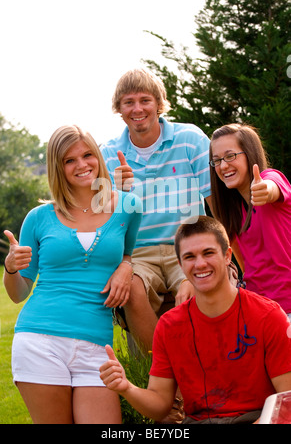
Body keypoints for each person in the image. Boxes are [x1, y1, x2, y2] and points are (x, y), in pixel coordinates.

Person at [3, 125, 142, 424]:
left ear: (98, 157)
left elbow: (130, 252)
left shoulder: (128, 206)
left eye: (87, 155)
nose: (82, 165)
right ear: (58, 167)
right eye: (69, 160)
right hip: (39, 340)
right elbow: (19, 293)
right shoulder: (39, 217)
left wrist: (126, 266)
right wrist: (11, 268)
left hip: (97, 345)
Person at [100, 216, 291, 424]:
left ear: (228, 256)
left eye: (208, 253)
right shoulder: (169, 325)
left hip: (256, 418)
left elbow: (286, 401)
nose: (200, 264)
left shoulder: (268, 316)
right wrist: (126, 387)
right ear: (181, 264)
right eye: (190, 257)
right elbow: (160, 404)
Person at [101, 68, 214, 354]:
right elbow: (102, 221)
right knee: (132, 288)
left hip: (187, 244)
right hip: (138, 252)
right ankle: (160, 376)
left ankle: (201, 371)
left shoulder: (190, 139)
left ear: (158, 104)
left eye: (144, 100)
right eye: (128, 102)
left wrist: (228, 254)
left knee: (197, 283)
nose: (137, 109)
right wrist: (118, 194)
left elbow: (215, 200)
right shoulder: (107, 153)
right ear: (120, 109)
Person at [209, 123, 291, 319]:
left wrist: (265, 190)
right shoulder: (232, 210)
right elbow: (247, 266)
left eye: (230, 156)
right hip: (259, 309)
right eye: (217, 160)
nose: (223, 166)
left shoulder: (270, 178)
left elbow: (272, 187)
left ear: (250, 153)